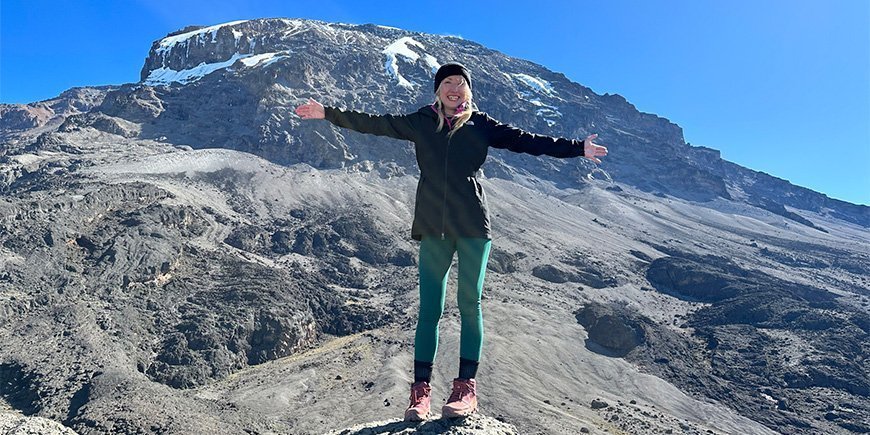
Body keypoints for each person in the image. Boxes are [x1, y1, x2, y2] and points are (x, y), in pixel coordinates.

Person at [295, 62, 608, 421]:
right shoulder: (420, 121)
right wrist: (326, 113)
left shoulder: (482, 124)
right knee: (430, 310)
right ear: (437, 90)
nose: (454, 88)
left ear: (468, 90)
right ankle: (420, 394)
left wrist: (576, 148)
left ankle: (465, 389)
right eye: (448, 82)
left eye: (461, 83)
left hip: (473, 226)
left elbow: (528, 141)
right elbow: (375, 123)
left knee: (469, 304)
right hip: (432, 226)